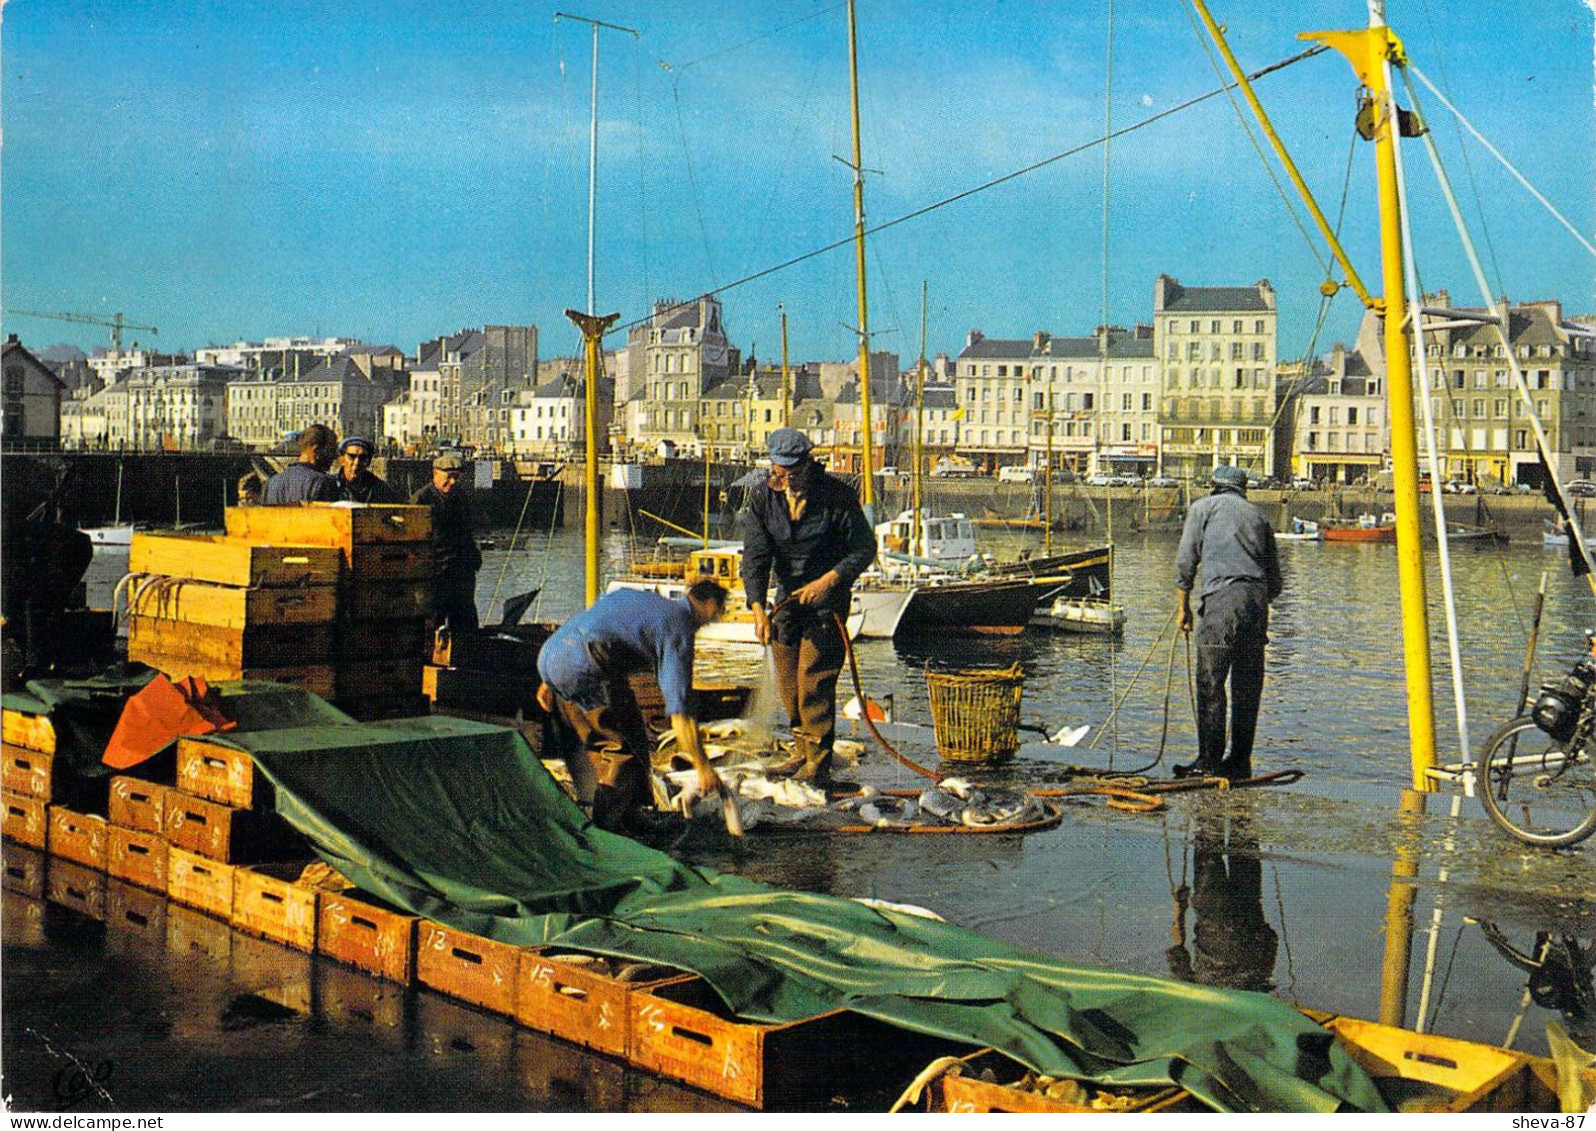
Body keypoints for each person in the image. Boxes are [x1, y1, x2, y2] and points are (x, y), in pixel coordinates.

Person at [740, 427, 876, 786]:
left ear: (808, 464)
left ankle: (818, 762)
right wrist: (756, 607)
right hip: (785, 600)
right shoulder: (762, 498)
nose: (786, 481)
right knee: (787, 682)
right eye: (779, 473)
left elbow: (864, 549)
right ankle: (800, 752)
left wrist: (830, 580)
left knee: (813, 680)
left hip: (826, 599)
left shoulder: (837, 497)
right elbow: (755, 556)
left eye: (793, 473)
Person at [536, 582, 728, 833]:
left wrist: (551, 677)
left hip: (552, 655)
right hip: (587, 667)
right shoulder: (679, 625)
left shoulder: (641, 599)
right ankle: (606, 830)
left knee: (630, 731)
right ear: (711, 606)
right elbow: (679, 711)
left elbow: (595, 620)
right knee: (620, 751)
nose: (714, 621)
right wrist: (703, 767)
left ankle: (630, 813)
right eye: (719, 613)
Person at [1174, 464, 1283, 780]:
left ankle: (1208, 762)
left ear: (1214, 486)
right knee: (1247, 685)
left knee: (1211, 682)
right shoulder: (1258, 517)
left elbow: (1186, 560)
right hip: (1257, 602)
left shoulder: (1203, 508)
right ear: (1242, 489)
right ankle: (1239, 762)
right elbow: (1275, 581)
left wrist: (1184, 607)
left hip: (1223, 600)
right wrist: (1255, 600)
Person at [412, 453, 482, 634]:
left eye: (456, 478)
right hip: (435, 573)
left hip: (461, 571)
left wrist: (473, 557)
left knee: (465, 623)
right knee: (433, 622)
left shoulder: (461, 497)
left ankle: (464, 657)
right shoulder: (421, 499)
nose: (452, 482)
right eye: (448, 477)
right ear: (435, 474)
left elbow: (467, 532)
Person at [262, 424, 341, 504]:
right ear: (316, 450)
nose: (335, 456)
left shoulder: (272, 483)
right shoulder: (324, 483)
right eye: (332, 450)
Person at [332, 435, 397, 503]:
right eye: (352, 457)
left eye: (362, 458)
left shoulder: (380, 490)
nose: (357, 462)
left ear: (368, 462)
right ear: (342, 459)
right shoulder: (329, 485)